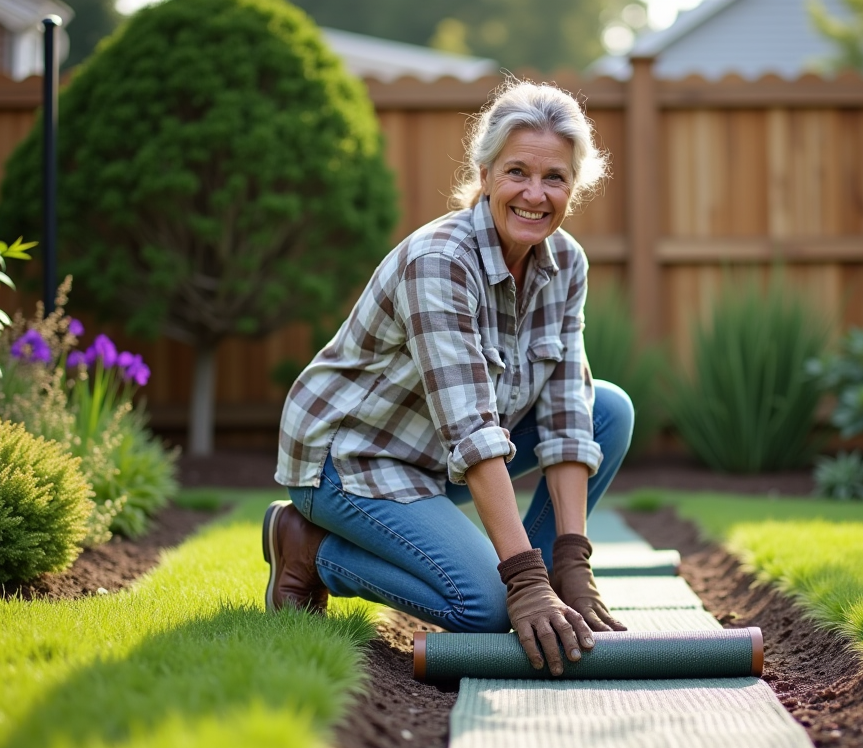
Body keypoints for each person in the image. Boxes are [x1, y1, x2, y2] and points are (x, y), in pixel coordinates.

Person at [267, 80, 633, 676]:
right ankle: (311, 547)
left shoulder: (566, 262)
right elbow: (472, 431)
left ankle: (537, 577)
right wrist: (521, 580)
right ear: (485, 172)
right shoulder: (440, 262)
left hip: (433, 458)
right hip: (352, 458)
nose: (535, 195)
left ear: (575, 185)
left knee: (607, 411)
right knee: (487, 607)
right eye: (517, 172)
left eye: (555, 178)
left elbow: (568, 408)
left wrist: (571, 561)